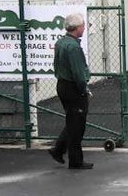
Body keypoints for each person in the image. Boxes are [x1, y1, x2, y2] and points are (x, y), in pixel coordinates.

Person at [48, 12, 93, 169]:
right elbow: (78, 72)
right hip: (73, 88)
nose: (84, 28)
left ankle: (59, 150)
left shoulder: (61, 42)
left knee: (72, 121)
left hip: (62, 85)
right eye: (83, 25)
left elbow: (56, 66)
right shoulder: (73, 47)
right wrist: (84, 88)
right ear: (77, 27)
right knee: (77, 124)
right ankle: (75, 160)